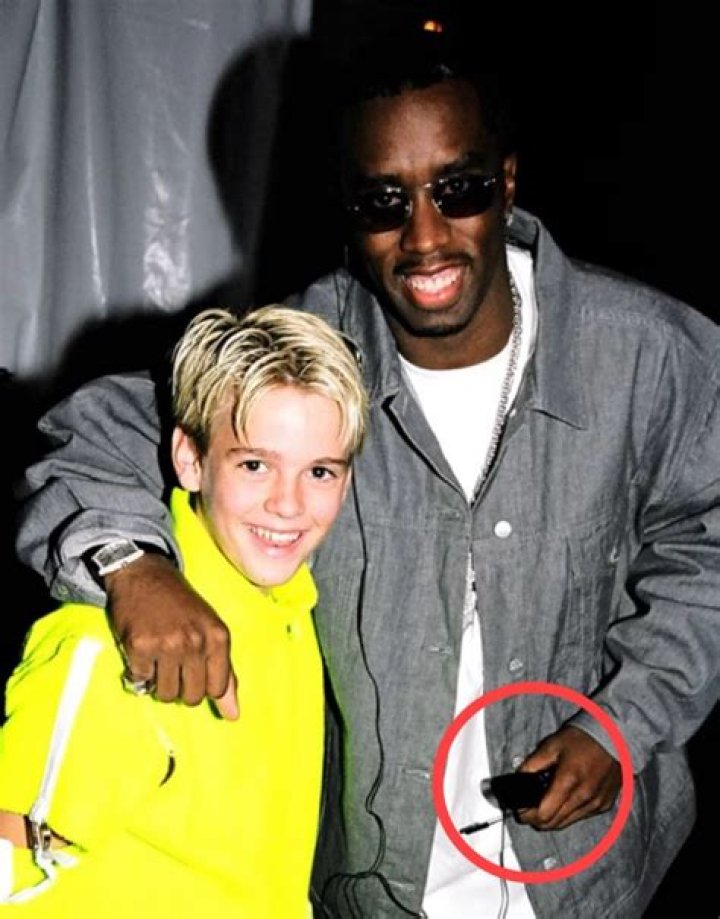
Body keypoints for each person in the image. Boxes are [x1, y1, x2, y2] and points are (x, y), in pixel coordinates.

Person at [15, 26, 720, 919]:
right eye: (383, 202)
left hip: (588, 882)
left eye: (458, 190)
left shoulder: (652, 356)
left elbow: (707, 549)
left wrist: (623, 721)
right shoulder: (303, 352)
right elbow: (93, 434)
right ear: (348, 210)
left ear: (507, 182)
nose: (424, 237)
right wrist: (132, 564)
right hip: (369, 889)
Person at [0, 306, 367, 916]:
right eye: (255, 465)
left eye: (320, 472)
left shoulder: (293, 613)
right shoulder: (114, 644)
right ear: (190, 459)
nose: (288, 504)